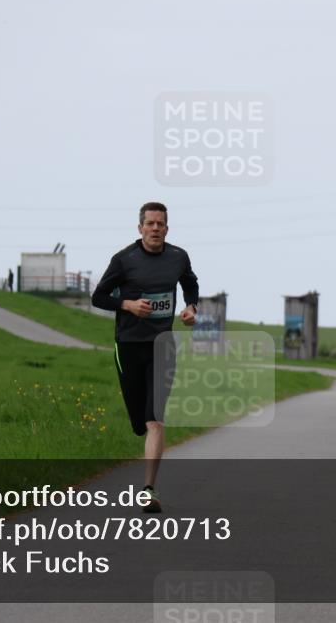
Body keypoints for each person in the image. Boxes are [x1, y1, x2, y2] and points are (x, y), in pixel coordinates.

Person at [91, 202, 198, 513]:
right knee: (140, 422)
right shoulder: (124, 260)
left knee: (155, 421)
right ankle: (142, 429)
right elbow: (98, 296)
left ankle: (148, 489)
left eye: (160, 224)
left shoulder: (178, 257)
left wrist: (191, 308)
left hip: (162, 347)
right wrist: (128, 305)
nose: (155, 228)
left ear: (167, 228)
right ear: (140, 228)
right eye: (150, 223)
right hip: (128, 345)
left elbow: (190, 282)